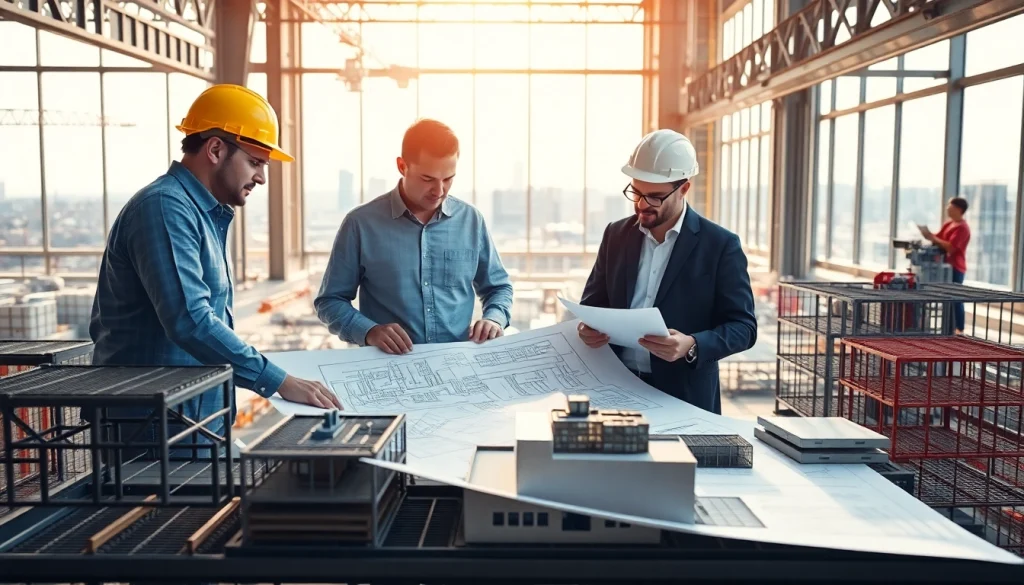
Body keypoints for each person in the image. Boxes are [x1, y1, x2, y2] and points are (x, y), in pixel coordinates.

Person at [89, 84, 341, 454]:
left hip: (188, 420)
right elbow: (190, 320)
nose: (262, 178)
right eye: (255, 162)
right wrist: (279, 381)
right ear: (216, 149)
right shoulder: (165, 208)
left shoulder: (202, 214)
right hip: (155, 428)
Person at [576, 129, 757, 415]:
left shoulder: (720, 245)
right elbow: (592, 306)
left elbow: (743, 328)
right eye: (636, 192)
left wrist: (692, 345)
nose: (642, 205)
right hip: (614, 390)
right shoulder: (616, 235)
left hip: (684, 396)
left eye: (655, 197)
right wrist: (586, 329)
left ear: (684, 188)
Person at [315, 119, 513, 354]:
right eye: (427, 179)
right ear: (402, 166)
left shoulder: (471, 220)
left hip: (457, 361)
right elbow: (330, 301)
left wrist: (494, 319)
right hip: (388, 365)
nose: (439, 191)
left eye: (448, 179)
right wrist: (369, 331)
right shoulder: (360, 224)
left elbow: (499, 287)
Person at [918, 196, 971, 333]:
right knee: (945, 298)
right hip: (942, 266)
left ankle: (958, 329)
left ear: (958, 209)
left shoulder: (963, 228)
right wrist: (929, 235)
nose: (947, 208)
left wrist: (933, 238)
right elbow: (938, 238)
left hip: (955, 267)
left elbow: (951, 247)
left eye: (950, 206)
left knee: (955, 298)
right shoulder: (949, 224)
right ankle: (947, 328)